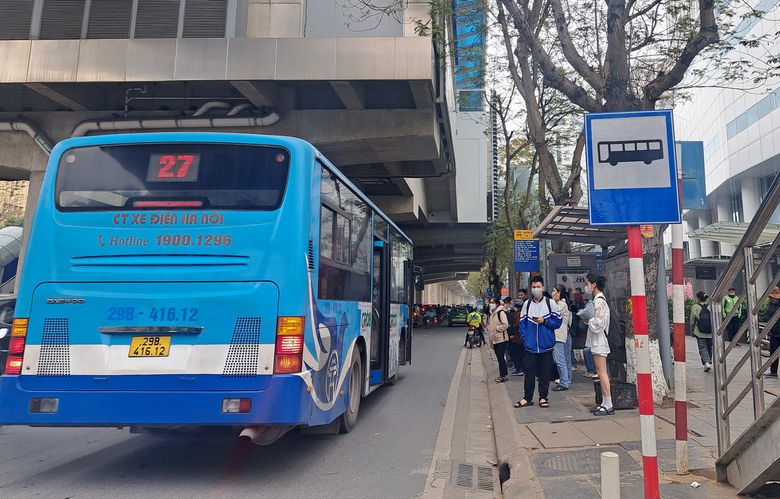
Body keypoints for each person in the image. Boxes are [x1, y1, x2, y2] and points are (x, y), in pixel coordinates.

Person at [514, 276, 562, 409]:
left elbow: (558, 323)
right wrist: (525, 338)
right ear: (531, 288)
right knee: (529, 372)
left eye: (538, 287)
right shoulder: (527, 305)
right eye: (534, 287)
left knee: (544, 373)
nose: (536, 289)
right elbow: (522, 324)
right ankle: (527, 397)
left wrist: (544, 321)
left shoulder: (550, 303)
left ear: (543, 288)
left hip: (546, 346)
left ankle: (543, 397)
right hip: (530, 347)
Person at [583, 273, 613, 416]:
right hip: (598, 340)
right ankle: (605, 403)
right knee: (600, 372)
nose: (586, 286)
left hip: (600, 340)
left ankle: (608, 403)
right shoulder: (598, 300)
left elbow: (599, 323)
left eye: (587, 283)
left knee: (602, 373)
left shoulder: (599, 301)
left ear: (594, 284)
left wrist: (588, 320)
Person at [551, 284, 573, 391]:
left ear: (559, 292)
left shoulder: (562, 305)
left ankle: (564, 381)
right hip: (556, 335)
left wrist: (551, 301)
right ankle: (562, 379)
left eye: (554, 291)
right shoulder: (557, 303)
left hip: (559, 335)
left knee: (560, 360)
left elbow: (552, 313)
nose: (553, 293)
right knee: (557, 359)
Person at [487, 297, 511, 383]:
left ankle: (502, 376)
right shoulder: (492, 314)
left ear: (497, 304)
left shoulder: (501, 313)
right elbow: (490, 327)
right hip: (495, 339)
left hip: (501, 339)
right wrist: (491, 340)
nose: (491, 304)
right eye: (490, 302)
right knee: (499, 357)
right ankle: (505, 374)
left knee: (500, 358)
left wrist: (497, 329)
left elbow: (505, 325)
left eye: (493, 302)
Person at [690, 291, 713, 372]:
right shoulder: (710, 306)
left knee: (702, 348)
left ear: (698, 298)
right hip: (710, 332)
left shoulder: (695, 307)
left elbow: (692, 320)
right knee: (709, 347)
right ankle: (709, 361)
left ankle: (706, 363)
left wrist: (692, 330)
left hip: (699, 332)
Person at [503, 296, 524, 376]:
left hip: (517, 337)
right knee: (518, 353)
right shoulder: (517, 313)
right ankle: (520, 368)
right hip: (518, 337)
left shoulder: (518, 314)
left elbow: (518, 326)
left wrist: (514, 335)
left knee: (513, 352)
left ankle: (519, 368)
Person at [764, 286, 780, 378]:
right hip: (773, 332)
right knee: (773, 353)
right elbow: (769, 317)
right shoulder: (770, 304)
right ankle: (773, 372)